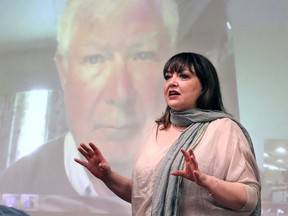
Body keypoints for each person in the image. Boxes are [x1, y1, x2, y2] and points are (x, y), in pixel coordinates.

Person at [0, 0, 179, 213]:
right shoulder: (16, 182)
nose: (120, 94)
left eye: (142, 55)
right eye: (94, 58)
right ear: (63, 70)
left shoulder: (197, 175)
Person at [75, 52, 261, 215]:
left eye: (183, 76)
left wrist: (205, 181)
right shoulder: (156, 130)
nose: (172, 82)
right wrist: (108, 177)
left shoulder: (223, 128)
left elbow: (249, 198)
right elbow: (145, 197)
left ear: (204, 86)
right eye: (168, 76)